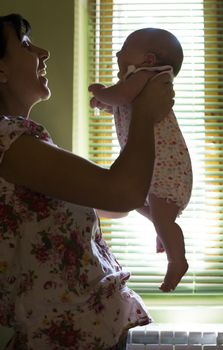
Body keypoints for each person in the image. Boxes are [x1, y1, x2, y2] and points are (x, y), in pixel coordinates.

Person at [0, 14, 174, 350]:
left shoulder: (22, 142)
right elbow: (120, 192)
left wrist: (153, 211)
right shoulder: (8, 141)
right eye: (24, 44)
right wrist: (143, 114)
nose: (43, 51)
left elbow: (103, 204)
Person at [89, 27, 193, 293]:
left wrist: (101, 92)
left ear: (147, 59)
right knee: (138, 204)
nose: (118, 52)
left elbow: (122, 96)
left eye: (125, 47)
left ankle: (177, 259)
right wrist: (106, 104)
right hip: (157, 168)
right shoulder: (142, 81)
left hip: (165, 166)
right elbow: (124, 103)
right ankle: (163, 230)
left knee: (163, 217)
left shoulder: (147, 76)